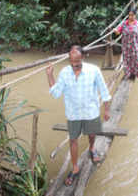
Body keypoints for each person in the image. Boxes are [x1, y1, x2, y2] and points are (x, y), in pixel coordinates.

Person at [45, 45, 111, 186]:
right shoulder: (64, 72)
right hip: (73, 113)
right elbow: (56, 93)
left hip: (91, 111)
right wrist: (50, 75)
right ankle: (75, 168)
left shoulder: (93, 70)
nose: (75, 66)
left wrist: (106, 110)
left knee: (92, 133)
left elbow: (104, 90)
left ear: (83, 56)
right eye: (70, 53)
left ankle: (92, 148)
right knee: (73, 139)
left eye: (75, 51)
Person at [114, 7, 138, 80]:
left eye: (132, 15)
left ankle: (137, 74)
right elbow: (118, 32)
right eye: (129, 15)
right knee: (127, 60)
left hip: (135, 46)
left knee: (136, 60)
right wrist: (115, 30)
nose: (131, 17)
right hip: (126, 47)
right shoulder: (124, 24)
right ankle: (128, 74)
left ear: (135, 15)